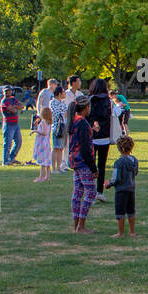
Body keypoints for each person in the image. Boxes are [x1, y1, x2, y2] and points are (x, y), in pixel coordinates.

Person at [69, 94, 98, 232]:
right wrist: (93, 168)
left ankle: (76, 224)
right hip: (83, 162)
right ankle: (81, 224)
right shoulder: (83, 124)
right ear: (86, 107)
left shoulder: (74, 121)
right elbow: (85, 147)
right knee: (91, 192)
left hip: (75, 162)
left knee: (78, 193)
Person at [88, 79, 114, 203]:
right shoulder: (108, 101)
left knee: (91, 166)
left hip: (92, 136)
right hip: (105, 136)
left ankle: (91, 192)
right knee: (102, 166)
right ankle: (99, 191)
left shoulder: (90, 100)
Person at [108, 134, 138, 237]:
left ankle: (120, 232)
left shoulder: (119, 162)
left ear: (119, 148)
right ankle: (132, 231)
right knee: (131, 210)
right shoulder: (134, 160)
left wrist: (109, 184)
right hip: (131, 188)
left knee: (120, 211)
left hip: (121, 190)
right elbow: (136, 173)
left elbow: (116, 178)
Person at [50, 85, 71, 173]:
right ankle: (54, 168)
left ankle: (59, 167)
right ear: (59, 94)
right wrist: (64, 113)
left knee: (61, 148)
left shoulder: (62, 103)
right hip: (57, 127)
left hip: (64, 127)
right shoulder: (53, 102)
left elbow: (66, 113)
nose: (65, 93)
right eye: (63, 92)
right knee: (56, 148)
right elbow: (58, 114)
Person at [0, 87, 22, 165]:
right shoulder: (4, 101)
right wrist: (15, 106)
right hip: (8, 124)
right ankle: (5, 161)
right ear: (3, 92)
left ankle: (12, 158)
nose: (7, 92)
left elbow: (22, 106)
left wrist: (15, 106)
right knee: (7, 143)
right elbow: (14, 110)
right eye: (6, 91)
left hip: (16, 124)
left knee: (18, 142)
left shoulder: (13, 99)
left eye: (9, 91)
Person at [31, 106, 53, 182]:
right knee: (47, 160)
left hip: (42, 143)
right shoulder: (48, 121)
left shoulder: (44, 121)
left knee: (43, 161)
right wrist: (37, 126)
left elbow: (44, 132)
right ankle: (47, 176)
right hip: (46, 143)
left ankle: (41, 177)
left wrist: (35, 131)